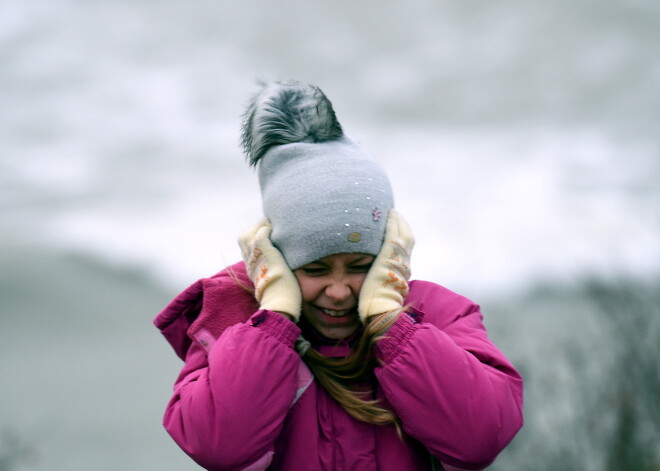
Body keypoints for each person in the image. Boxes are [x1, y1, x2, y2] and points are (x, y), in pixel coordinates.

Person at [154, 81, 523, 471]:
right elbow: (220, 446)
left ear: (389, 255)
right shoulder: (230, 323)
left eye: (360, 266)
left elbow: (480, 438)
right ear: (276, 259)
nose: (339, 290)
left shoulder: (438, 316)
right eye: (314, 268)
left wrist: (389, 321)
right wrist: (276, 315)